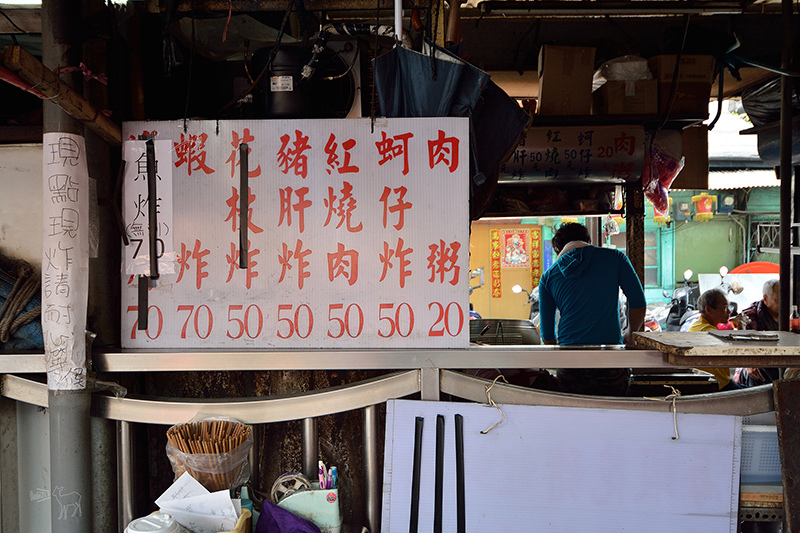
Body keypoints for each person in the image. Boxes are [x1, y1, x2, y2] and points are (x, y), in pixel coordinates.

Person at [538, 222, 646, 396]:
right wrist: (630, 333)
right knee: (614, 413)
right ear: (588, 240)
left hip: (571, 367)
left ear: (557, 249)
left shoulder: (548, 277)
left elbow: (547, 337)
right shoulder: (615, 258)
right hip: (610, 362)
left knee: (577, 416)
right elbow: (638, 302)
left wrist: (567, 353)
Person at [687, 288, 740, 391]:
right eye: (725, 307)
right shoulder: (709, 332)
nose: (729, 311)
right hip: (719, 386)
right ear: (709, 310)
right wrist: (742, 328)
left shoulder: (697, 326)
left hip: (707, 384)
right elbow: (736, 352)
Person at [733, 279, 780, 386]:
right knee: (755, 373)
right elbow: (740, 344)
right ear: (765, 299)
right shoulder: (749, 316)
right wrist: (748, 363)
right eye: (778, 299)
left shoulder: (793, 314)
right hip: (758, 361)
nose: (783, 302)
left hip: (785, 362)